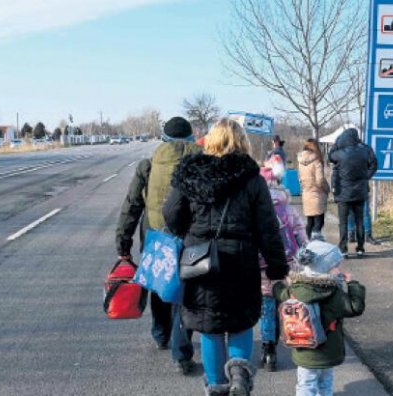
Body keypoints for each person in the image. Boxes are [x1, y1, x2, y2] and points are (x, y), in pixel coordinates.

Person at [163, 118, 289, 396]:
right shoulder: (252, 179)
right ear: (240, 142)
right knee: (240, 321)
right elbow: (267, 227)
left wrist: (192, 232)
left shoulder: (190, 175)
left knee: (210, 326)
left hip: (200, 262)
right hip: (240, 261)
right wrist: (277, 267)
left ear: (211, 141)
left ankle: (217, 386)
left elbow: (171, 216)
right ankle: (240, 378)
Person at [115, 116, 202, 375]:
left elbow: (132, 204)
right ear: (191, 138)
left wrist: (123, 240)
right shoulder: (200, 163)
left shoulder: (149, 165)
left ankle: (161, 334)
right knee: (185, 293)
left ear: (163, 138)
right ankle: (181, 353)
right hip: (190, 238)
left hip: (155, 236)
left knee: (160, 285)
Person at [273, 240, 366, 396]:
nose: (339, 269)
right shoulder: (333, 293)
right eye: (336, 266)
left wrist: (278, 285)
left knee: (305, 384)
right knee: (325, 382)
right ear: (325, 268)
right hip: (327, 350)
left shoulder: (296, 289)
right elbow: (355, 307)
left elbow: (281, 293)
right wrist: (353, 284)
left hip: (303, 348)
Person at [258, 156, 308, 372]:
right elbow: (301, 237)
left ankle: (269, 350)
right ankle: (298, 343)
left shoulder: (256, 209)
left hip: (262, 266)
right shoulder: (288, 209)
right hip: (288, 264)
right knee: (287, 305)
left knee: (266, 307)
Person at [328, 125, 377, 257]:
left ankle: (343, 249)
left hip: (344, 193)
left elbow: (330, 156)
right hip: (360, 192)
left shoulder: (340, 154)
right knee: (359, 220)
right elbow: (374, 164)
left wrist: (337, 142)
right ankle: (360, 248)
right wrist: (366, 176)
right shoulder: (365, 151)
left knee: (343, 222)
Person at [297, 139, 329, 241]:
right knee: (319, 223)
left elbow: (300, 178)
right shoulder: (316, 161)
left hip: (306, 194)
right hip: (317, 194)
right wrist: (326, 189)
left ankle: (307, 242)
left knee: (310, 222)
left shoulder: (300, 161)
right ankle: (316, 244)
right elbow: (320, 180)